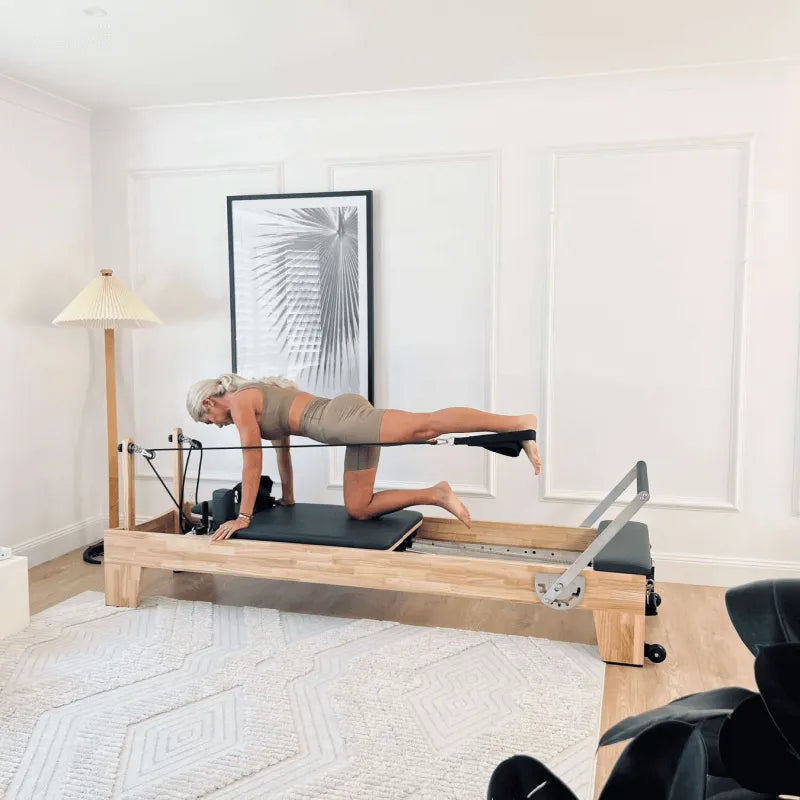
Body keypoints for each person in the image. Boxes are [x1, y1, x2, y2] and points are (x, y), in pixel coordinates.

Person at [185, 373, 540, 541]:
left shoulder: (240, 402)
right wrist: (289, 496)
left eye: (208, 420)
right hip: (344, 422)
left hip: (341, 421)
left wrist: (244, 516)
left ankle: (517, 423)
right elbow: (282, 450)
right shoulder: (253, 402)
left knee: (426, 426)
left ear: (208, 403)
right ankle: (436, 493)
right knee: (359, 507)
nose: (215, 425)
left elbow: (252, 461)